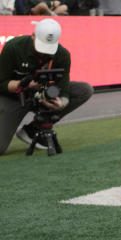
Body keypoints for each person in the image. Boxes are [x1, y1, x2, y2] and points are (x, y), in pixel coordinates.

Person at [0, 19, 94, 154]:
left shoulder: (62, 55)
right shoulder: (13, 47)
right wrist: (20, 84)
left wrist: (61, 103)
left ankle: (33, 130)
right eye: (41, 46)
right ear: (33, 35)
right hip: (14, 97)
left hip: (44, 96)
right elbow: (1, 82)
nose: (44, 52)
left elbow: (64, 89)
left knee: (84, 90)